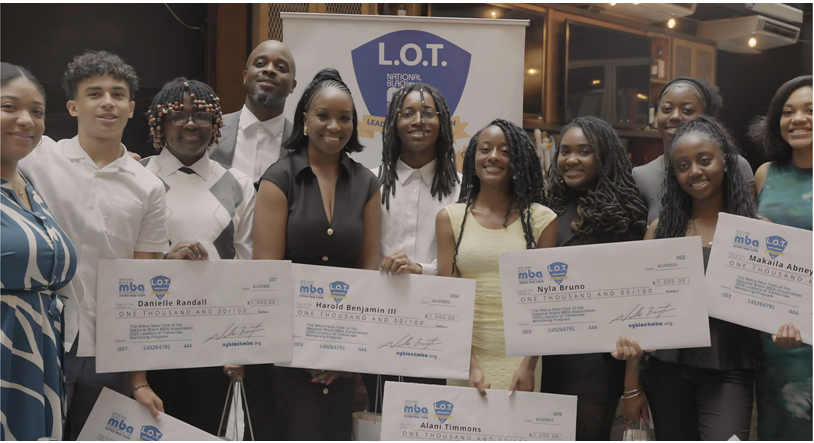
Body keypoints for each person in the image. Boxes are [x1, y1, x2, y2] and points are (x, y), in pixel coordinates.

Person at [16, 51, 196, 439]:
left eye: (118, 94)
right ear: (73, 106)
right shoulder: (38, 157)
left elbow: (144, 286)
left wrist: (138, 380)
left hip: (109, 348)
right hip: (40, 336)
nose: (107, 102)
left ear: (131, 108)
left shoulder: (148, 186)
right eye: (94, 93)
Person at [251, 68, 380, 440]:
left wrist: (342, 351)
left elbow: (367, 272)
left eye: (345, 118)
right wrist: (306, 351)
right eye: (323, 115)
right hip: (286, 352)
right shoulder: (278, 179)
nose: (334, 126)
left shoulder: (367, 184)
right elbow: (268, 277)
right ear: (305, 120)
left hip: (343, 352)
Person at [624, 116, 760, 440]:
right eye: (683, 166)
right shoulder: (660, 231)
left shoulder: (756, 232)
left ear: (725, 162)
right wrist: (631, 386)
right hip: (666, 370)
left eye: (704, 160)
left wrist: (788, 327)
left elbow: (771, 306)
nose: (695, 172)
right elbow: (639, 314)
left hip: (729, 369)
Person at [140, 78, 256, 435]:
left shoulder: (238, 183)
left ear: (216, 124)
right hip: (149, 338)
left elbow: (248, 268)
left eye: (201, 115)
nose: (191, 124)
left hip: (214, 342)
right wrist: (164, 263)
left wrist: (241, 345)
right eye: (178, 115)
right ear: (160, 124)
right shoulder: (137, 176)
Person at [541, 116, 648, 440]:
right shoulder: (546, 209)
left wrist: (632, 380)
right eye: (565, 151)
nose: (571, 159)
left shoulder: (627, 217)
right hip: (549, 354)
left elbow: (636, 299)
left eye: (584, 151)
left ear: (605, 157)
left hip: (599, 361)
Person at [436, 119, 557, 396]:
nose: (493, 156)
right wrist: (469, 365)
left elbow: (543, 303)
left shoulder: (542, 219)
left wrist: (528, 366)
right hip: (465, 356)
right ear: (472, 158)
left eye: (505, 151)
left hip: (521, 360)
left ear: (519, 161)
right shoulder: (450, 218)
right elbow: (448, 300)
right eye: (485, 149)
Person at [360, 82, 461, 411]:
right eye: (408, 113)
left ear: (442, 123)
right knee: (381, 418)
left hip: (442, 332)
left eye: (428, 113)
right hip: (379, 330)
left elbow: (470, 262)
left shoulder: (463, 190)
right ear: (394, 123)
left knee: (436, 421)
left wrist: (422, 271)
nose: (419, 120)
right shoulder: (368, 183)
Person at [1, 62, 77, 441]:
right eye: (9, 106)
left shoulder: (30, 186)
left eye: (37, 111)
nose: (26, 120)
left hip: (40, 356)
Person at [749, 75, 812, 440]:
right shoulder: (764, 174)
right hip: (773, 335)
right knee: (776, 425)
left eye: (810, 110)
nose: (798, 119)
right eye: (788, 112)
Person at [633, 77, 756, 225]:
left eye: (687, 110)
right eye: (666, 109)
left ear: (707, 118)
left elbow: (750, 221)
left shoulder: (736, 165)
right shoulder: (641, 176)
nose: (675, 116)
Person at [209, 40, 297, 182]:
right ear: (245, 76)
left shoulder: (302, 143)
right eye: (260, 64)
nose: (269, 70)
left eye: (281, 67)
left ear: (293, 85)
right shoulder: (211, 131)